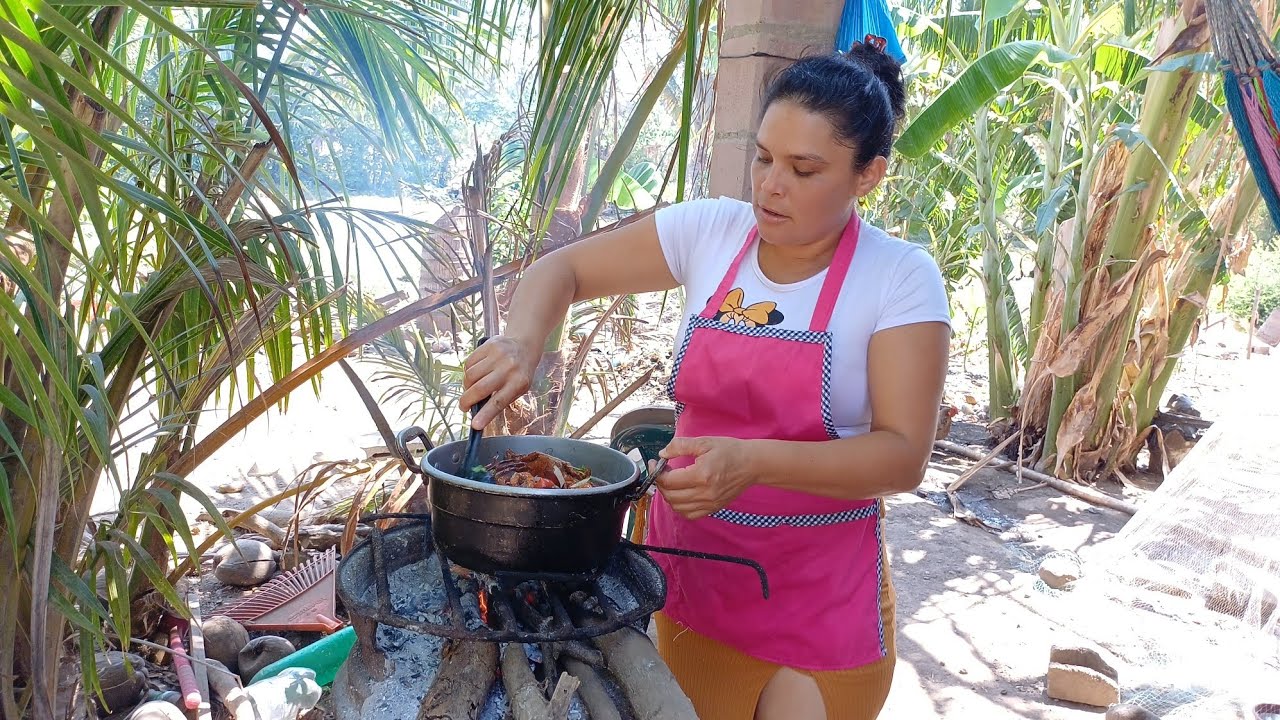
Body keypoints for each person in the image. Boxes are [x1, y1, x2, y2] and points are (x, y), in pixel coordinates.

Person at [459, 39, 952, 720]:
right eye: (763, 156)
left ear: (868, 176)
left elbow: (902, 456)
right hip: (695, 574)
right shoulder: (711, 232)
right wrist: (520, 338)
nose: (770, 185)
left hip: (819, 593)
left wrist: (749, 462)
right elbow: (561, 271)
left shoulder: (898, 277)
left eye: (804, 169)